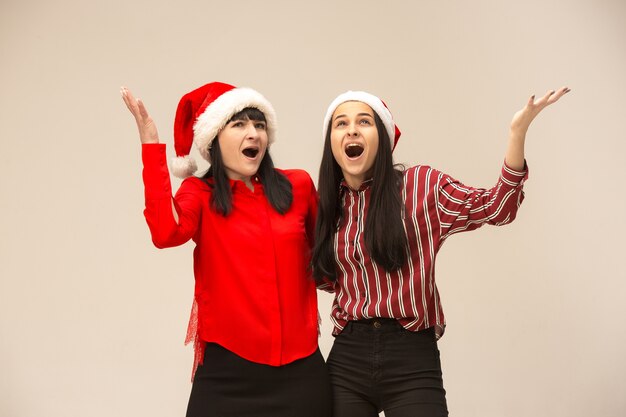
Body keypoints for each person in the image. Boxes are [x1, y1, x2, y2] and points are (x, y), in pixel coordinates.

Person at [312, 87, 570, 416]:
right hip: (347, 359)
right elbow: (326, 277)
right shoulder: (328, 205)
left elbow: (497, 207)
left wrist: (516, 133)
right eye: (340, 123)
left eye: (364, 121)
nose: (351, 130)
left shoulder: (421, 187)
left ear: (384, 136)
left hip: (411, 359)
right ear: (331, 142)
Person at [121, 82, 331, 417]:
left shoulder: (298, 186)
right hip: (227, 375)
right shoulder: (199, 193)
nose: (254, 134)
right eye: (239, 124)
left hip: (301, 373)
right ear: (214, 139)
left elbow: (330, 260)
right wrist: (151, 144)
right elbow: (165, 232)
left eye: (259, 125)